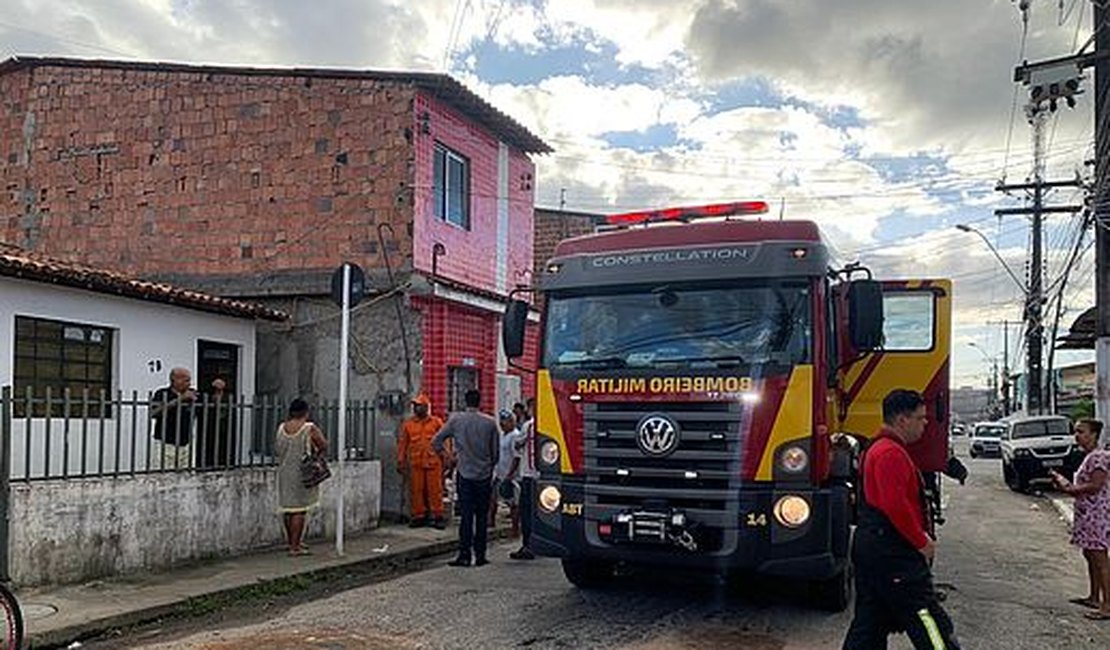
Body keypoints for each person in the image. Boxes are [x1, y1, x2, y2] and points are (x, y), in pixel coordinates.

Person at [843, 389, 961, 650]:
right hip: (892, 555)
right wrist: (921, 542)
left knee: (870, 624)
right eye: (921, 418)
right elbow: (894, 505)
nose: (926, 423)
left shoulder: (879, 448)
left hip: (876, 549)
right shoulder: (889, 453)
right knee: (927, 618)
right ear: (902, 420)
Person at [433, 388, 499, 567]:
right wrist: (488, 465)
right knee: (482, 516)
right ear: (480, 402)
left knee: (466, 516)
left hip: (465, 473)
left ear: (465, 401)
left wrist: (449, 456)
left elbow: (436, 441)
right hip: (484, 475)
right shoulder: (490, 423)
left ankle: (464, 555)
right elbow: (496, 455)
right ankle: (480, 555)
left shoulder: (456, 420)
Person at [1051, 418, 1110, 620]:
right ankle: (1094, 596)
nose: (1077, 436)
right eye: (1076, 432)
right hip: (1087, 514)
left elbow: (1096, 485)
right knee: (1090, 555)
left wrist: (1069, 489)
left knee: (1100, 559)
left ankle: (1107, 605)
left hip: (1097, 515)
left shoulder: (1099, 457)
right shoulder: (1089, 457)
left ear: (1094, 434)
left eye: (1082, 432)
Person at [274, 398, 328, 556]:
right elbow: (323, 445)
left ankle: (292, 541)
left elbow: (277, 448)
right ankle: (295, 547)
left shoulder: (281, 427)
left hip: (284, 472)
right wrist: (317, 453)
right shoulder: (308, 428)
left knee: (287, 508)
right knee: (300, 510)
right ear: (305, 412)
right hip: (302, 473)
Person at [397, 393, 447, 529]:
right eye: (415, 406)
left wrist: (447, 457)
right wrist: (400, 461)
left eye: (419, 406)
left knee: (435, 490)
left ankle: (438, 516)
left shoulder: (436, 422)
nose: (416, 409)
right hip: (416, 463)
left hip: (433, 462)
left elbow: (445, 440)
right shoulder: (408, 425)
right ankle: (419, 516)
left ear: (426, 407)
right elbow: (403, 444)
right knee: (416, 491)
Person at [150, 367, 197, 470]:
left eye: (189, 380)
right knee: (162, 475)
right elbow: (153, 413)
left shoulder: (192, 394)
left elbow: (210, 406)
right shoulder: (162, 393)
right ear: (175, 380)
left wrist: (218, 392)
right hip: (165, 442)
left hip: (186, 443)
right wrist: (180, 399)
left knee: (187, 476)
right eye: (186, 380)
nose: (189, 383)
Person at [511, 397, 538, 560]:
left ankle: (528, 545)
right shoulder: (548, 423)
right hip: (543, 476)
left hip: (528, 474)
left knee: (526, 512)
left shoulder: (529, 425)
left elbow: (517, 444)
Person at [492, 409, 522, 537]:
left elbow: (516, 457)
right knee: (493, 497)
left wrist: (510, 475)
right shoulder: (503, 435)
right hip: (500, 472)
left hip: (511, 476)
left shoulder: (515, 436)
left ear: (512, 422)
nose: (502, 424)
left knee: (513, 504)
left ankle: (515, 529)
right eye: (501, 421)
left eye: (505, 421)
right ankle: (490, 521)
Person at [199, 378, 235, 469]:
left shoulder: (228, 398)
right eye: (216, 389)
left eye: (220, 389)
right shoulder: (206, 397)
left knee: (223, 451)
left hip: (224, 430)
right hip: (207, 429)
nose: (218, 392)